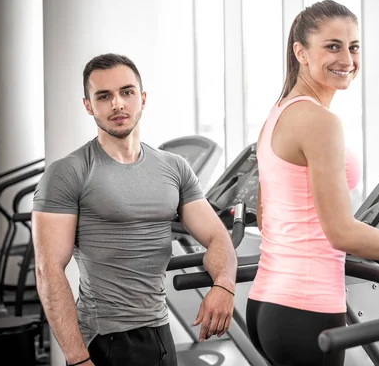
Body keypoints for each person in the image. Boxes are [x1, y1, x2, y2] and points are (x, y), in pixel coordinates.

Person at [246, 0, 379, 366]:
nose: (347, 58)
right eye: (332, 46)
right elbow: (341, 233)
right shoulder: (320, 122)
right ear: (301, 52)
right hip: (306, 310)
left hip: (266, 303)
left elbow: (267, 219)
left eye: (353, 47)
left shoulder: (277, 114)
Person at [32, 53, 238, 366]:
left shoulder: (174, 168)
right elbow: (48, 269)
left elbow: (217, 236)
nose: (117, 104)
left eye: (126, 92)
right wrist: (76, 358)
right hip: (107, 339)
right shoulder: (68, 172)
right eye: (104, 96)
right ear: (88, 105)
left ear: (141, 98)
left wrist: (224, 284)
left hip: (159, 329)